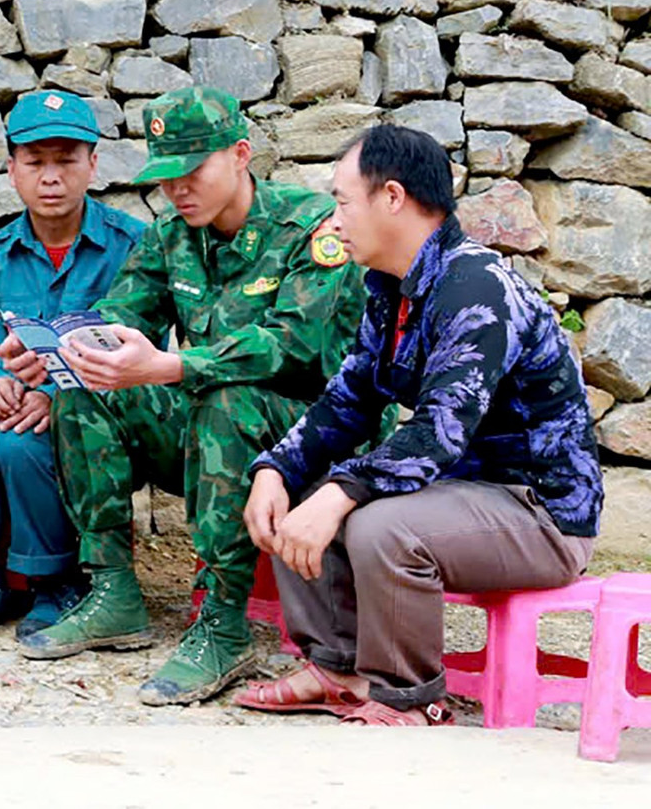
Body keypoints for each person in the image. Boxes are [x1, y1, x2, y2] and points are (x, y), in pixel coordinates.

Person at [8, 86, 366, 705]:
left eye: (191, 170)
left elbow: (292, 348)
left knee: (227, 399)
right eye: (165, 176)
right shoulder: (172, 238)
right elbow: (121, 316)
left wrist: (171, 365)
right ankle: (114, 591)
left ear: (241, 154)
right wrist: (61, 350)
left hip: (320, 443)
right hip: (216, 437)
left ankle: (224, 627)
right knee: (90, 386)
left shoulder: (311, 229)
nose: (177, 189)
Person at [235, 125, 604, 726]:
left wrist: (341, 493)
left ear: (392, 197)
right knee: (300, 497)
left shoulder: (476, 288)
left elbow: (440, 431)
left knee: (380, 525)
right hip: (459, 498)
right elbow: (348, 400)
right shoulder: (390, 290)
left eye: (342, 200)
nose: (333, 219)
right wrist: (277, 470)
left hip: (540, 513)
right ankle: (338, 668)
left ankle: (410, 696)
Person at [0, 90, 146, 644]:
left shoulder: (129, 246)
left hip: (101, 410)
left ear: (93, 165)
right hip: (18, 400)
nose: (51, 177)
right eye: (35, 162)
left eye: (66, 160)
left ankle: (54, 580)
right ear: (12, 171)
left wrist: (59, 393)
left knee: (22, 442)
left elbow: (140, 345)